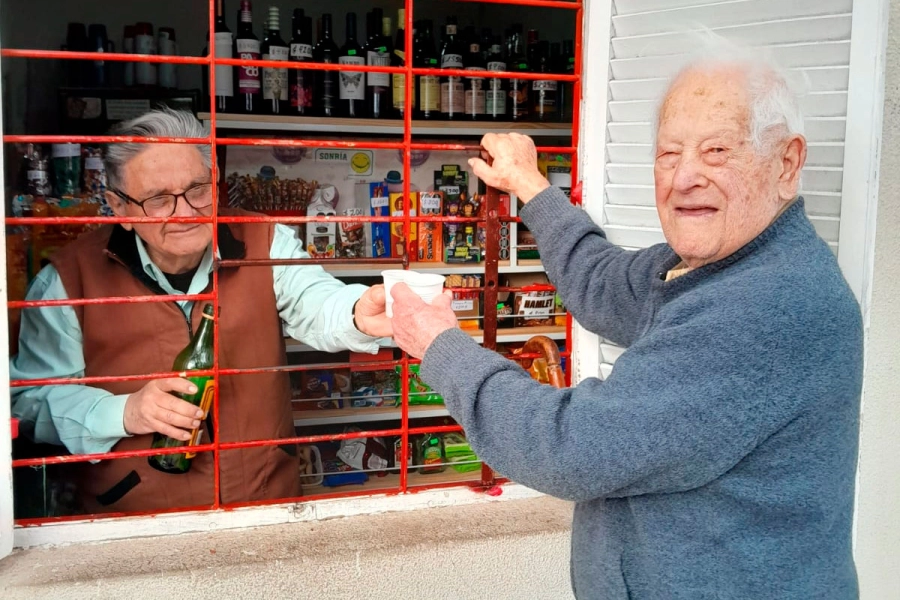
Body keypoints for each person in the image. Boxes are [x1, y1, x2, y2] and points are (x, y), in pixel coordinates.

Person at [389, 43, 863, 599]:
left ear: (786, 164)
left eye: (716, 151)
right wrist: (532, 188)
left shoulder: (766, 306)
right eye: (668, 153)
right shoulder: (715, 264)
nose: (685, 176)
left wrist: (440, 347)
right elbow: (603, 283)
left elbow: (569, 447)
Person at [10, 109, 392, 514]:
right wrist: (124, 413)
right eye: (158, 199)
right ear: (119, 207)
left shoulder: (264, 239)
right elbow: (30, 401)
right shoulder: (69, 280)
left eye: (197, 189)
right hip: (136, 521)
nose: (185, 213)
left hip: (265, 504)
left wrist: (354, 311)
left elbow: (314, 300)